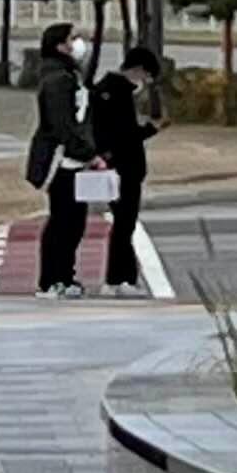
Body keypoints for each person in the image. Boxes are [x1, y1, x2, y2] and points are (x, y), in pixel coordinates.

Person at [86, 41, 157, 294]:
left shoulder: (105, 89)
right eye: (145, 75)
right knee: (124, 225)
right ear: (138, 69)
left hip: (114, 164)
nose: (144, 82)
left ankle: (122, 278)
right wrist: (150, 130)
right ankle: (119, 279)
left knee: (123, 224)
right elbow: (124, 135)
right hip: (124, 166)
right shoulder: (118, 93)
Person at [27, 25, 93, 294]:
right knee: (63, 221)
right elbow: (62, 124)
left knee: (74, 221)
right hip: (61, 160)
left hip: (74, 160)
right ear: (59, 45)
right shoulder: (57, 79)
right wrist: (86, 152)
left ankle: (65, 275)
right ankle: (53, 279)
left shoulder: (68, 74)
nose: (77, 43)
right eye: (71, 39)